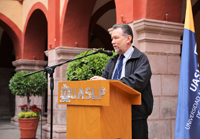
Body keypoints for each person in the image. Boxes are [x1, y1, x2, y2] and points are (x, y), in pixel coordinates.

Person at [90, 23, 153, 139]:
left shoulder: (141, 59)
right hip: (111, 114)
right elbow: (104, 81)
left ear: (128, 38)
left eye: (116, 38)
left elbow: (137, 81)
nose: (112, 42)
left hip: (135, 117)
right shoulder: (112, 61)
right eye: (112, 39)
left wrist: (109, 83)